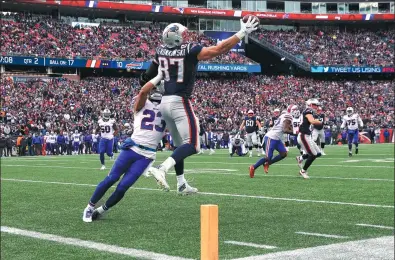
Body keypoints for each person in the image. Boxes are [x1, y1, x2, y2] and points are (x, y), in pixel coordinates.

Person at [146, 17, 259, 194]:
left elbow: (147, 75)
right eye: (182, 34)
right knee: (193, 145)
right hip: (179, 101)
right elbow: (218, 49)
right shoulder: (190, 49)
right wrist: (242, 33)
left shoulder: (160, 51)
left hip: (164, 102)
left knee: (179, 146)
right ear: (176, 37)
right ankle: (162, 168)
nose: (185, 36)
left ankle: (181, 184)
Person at [82, 71, 166, 222]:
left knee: (123, 187)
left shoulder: (168, 109)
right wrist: (159, 76)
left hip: (147, 156)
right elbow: (143, 91)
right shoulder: (142, 103)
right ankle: (89, 207)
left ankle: (101, 210)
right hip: (132, 149)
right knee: (111, 179)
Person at [249, 108, 293, 177]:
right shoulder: (287, 117)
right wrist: (295, 132)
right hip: (271, 137)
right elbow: (285, 129)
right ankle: (253, 167)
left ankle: (267, 163)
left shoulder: (282, 117)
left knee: (284, 153)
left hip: (277, 138)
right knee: (268, 157)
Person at [295, 99, 323, 179]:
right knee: (313, 155)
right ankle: (303, 171)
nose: (316, 107)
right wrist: (320, 122)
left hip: (307, 135)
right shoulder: (308, 111)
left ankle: (300, 158)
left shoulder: (309, 111)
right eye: (314, 105)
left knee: (318, 153)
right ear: (310, 105)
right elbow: (312, 121)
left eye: (316, 105)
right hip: (303, 136)